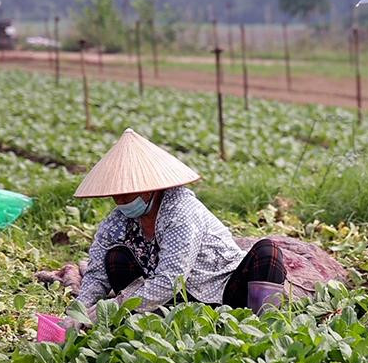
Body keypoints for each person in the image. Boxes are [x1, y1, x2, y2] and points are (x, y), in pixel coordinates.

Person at [68, 129, 294, 322]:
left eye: (128, 192)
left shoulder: (181, 210)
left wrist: (117, 304)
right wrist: (77, 313)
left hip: (223, 290)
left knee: (268, 252)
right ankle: (151, 318)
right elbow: (96, 274)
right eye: (116, 194)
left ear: (150, 187)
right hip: (175, 300)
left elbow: (171, 278)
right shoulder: (117, 222)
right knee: (115, 258)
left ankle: (261, 324)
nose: (121, 201)